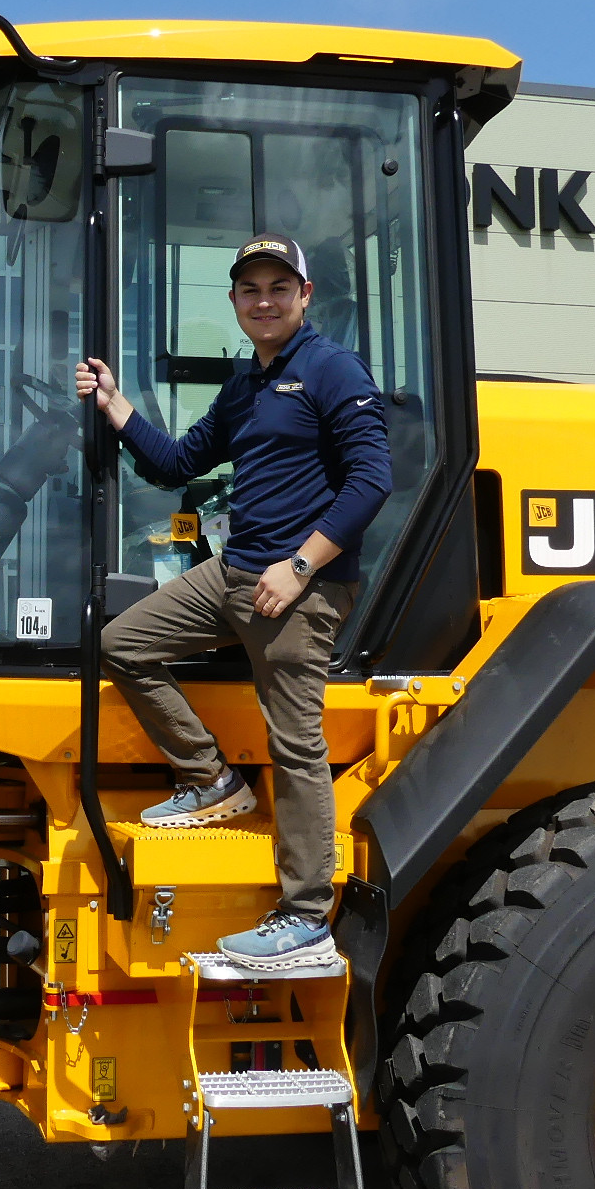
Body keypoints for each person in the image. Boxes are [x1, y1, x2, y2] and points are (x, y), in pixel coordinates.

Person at [73, 235, 391, 971]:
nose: (264, 301)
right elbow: (179, 462)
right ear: (235, 302)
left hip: (297, 588)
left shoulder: (332, 368)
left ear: (305, 295)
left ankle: (306, 917)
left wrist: (301, 566)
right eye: (251, 289)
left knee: (296, 745)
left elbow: (372, 480)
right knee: (122, 643)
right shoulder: (246, 382)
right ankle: (211, 779)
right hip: (233, 574)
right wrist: (116, 405)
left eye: (279, 287)